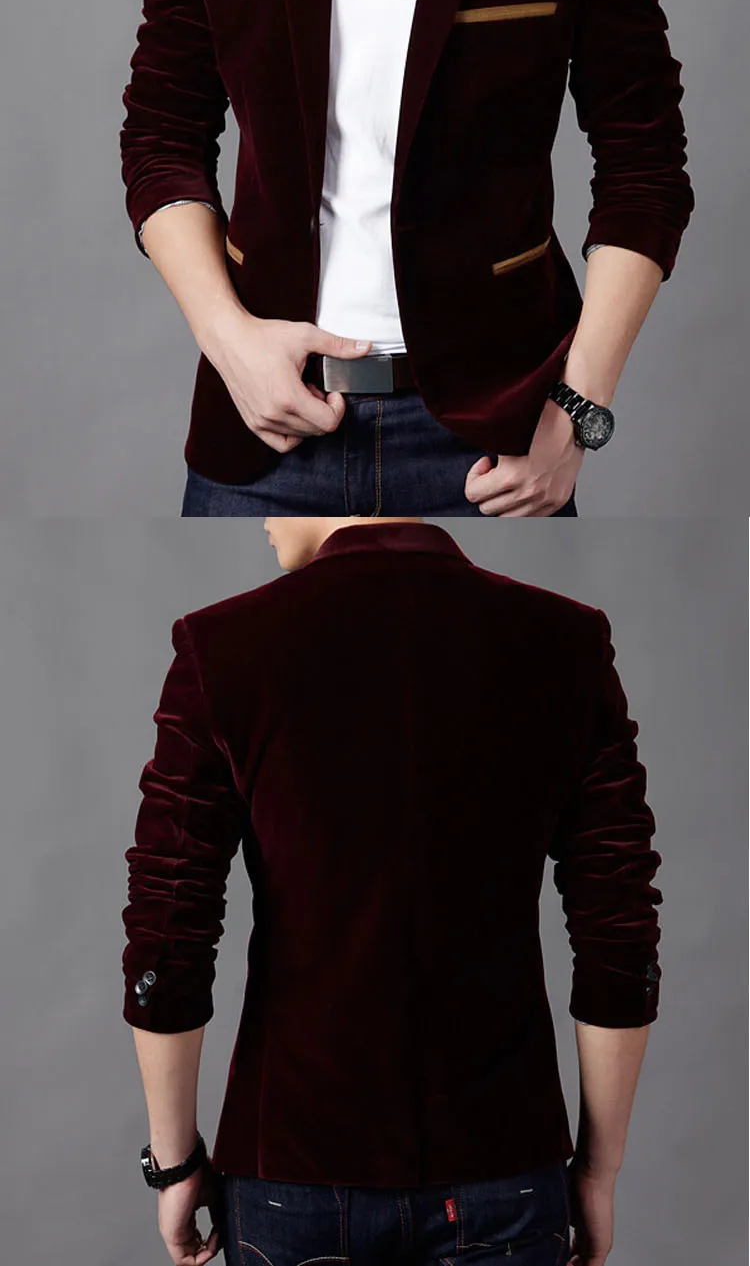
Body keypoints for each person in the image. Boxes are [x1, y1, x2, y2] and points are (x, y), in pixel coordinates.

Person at [120, 0, 693, 520]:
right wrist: (228, 341)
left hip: (494, 442)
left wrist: (579, 405)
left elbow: (644, 167)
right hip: (264, 427)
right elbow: (162, 133)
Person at [123, 515, 662, 1266]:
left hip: (292, 1173)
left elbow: (168, 928)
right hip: (506, 1165)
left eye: (276, 503)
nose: (266, 521)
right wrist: (600, 1167)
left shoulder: (223, 645)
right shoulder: (566, 641)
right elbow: (618, 926)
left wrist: (175, 1163)